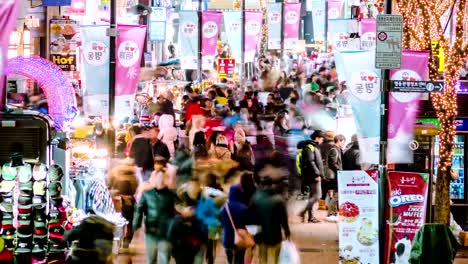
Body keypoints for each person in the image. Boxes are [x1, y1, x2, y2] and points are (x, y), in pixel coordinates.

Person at [133, 170, 176, 264]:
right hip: (153, 230)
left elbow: (139, 209)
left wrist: (136, 224)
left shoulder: (171, 195)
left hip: (164, 231)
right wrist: (136, 224)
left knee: (161, 258)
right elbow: (139, 209)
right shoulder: (148, 194)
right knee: (154, 258)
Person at [252, 176, 290, 264]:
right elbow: (283, 218)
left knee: (262, 258)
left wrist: (252, 233)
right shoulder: (279, 199)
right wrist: (287, 231)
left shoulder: (256, 198)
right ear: (272, 185)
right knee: (274, 259)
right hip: (275, 234)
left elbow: (250, 216)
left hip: (260, 234)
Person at [106, 164, 138, 248]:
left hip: (118, 201)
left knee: (120, 221)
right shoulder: (133, 178)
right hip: (128, 202)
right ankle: (126, 239)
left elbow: (110, 186)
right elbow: (135, 189)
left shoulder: (117, 176)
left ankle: (120, 238)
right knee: (129, 222)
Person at [298, 130, 324, 223]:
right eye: (321, 139)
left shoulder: (312, 146)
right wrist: (317, 174)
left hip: (311, 175)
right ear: (317, 138)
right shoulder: (310, 147)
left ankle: (311, 217)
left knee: (312, 196)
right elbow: (310, 161)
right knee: (317, 195)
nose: (322, 140)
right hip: (312, 176)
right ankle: (303, 211)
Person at [219, 186, 249, 264]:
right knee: (239, 258)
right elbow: (248, 223)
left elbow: (221, 223)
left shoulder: (224, 208)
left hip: (227, 239)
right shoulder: (244, 208)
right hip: (240, 239)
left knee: (229, 257)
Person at [324, 135, 345, 222]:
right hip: (335, 175)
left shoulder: (337, 149)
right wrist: (340, 170)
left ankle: (333, 213)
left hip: (337, 175)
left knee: (337, 193)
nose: (344, 143)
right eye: (343, 141)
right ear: (339, 141)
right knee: (337, 194)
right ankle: (331, 213)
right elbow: (333, 163)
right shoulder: (334, 150)